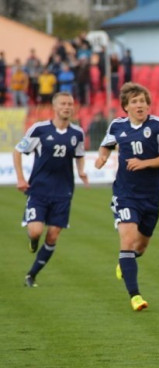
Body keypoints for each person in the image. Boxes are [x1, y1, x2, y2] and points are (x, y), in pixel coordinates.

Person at [94, 82, 159, 311]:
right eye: (134, 102)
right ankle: (135, 296)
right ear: (126, 107)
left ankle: (125, 261)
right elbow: (106, 145)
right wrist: (102, 157)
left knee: (139, 247)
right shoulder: (117, 126)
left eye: (142, 101)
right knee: (128, 240)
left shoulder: (158, 125)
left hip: (151, 195)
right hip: (125, 194)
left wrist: (145, 163)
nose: (139, 105)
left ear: (148, 105)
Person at [12, 92, 88, 287]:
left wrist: (81, 171)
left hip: (63, 191)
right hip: (39, 190)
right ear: (54, 107)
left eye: (70, 104)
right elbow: (18, 151)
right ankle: (33, 240)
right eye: (63, 104)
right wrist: (20, 178)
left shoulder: (77, 133)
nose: (67, 107)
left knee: (53, 235)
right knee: (36, 231)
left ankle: (31, 275)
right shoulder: (39, 129)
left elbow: (79, 154)